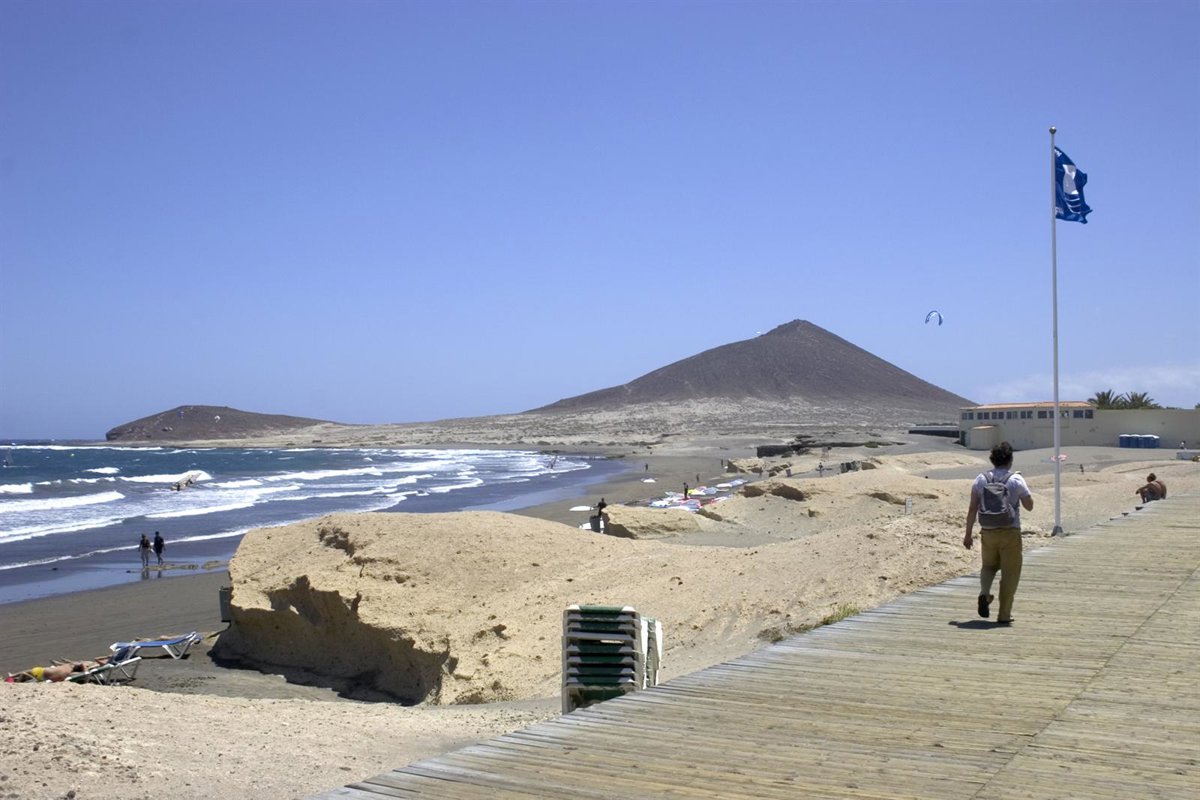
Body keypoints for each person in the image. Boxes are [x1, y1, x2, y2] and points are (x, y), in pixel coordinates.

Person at [963, 442, 1033, 626]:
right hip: (1010, 532)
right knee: (1010, 573)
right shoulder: (1015, 479)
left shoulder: (981, 479)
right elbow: (1029, 506)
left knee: (988, 566)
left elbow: (972, 509)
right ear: (1010, 460)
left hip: (988, 531)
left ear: (992, 460)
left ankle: (984, 593)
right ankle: (1004, 615)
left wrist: (968, 534)